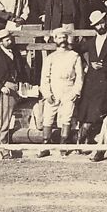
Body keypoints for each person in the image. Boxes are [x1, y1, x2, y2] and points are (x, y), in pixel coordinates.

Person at [74, 10, 107, 145]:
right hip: (91, 81)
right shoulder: (91, 42)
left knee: (96, 111)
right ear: (94, 27)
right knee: (85, 112)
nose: (101, 26)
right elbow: (76, 50)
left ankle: (86, 140)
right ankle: (81, 141)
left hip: (106, 80)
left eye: (102, 23)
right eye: (98, 24)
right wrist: (86, 64)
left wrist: (104, 66)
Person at [0, 26, 33, 159]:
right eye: (6, 40)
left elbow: (22, 70)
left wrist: (25, 83)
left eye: (10, 39)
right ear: (0, 42)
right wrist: (0, 87)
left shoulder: (15, 53)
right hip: (7, 89)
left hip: (19, 88)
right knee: (5, 120)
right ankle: (4, 149)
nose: (10, 41)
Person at [38, 27, 84, 155]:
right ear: (55, 39)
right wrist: (47, 93)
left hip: (69, 88)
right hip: (54, 88)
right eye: (59, 37)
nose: (62, 40)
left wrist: (76, 91)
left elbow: (80, 76)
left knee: (66, 117)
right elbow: (45, 77)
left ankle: (64, 144)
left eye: (64, 37)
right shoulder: (51, 57)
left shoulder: (74, 56)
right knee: (48, 117)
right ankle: (45, 145)